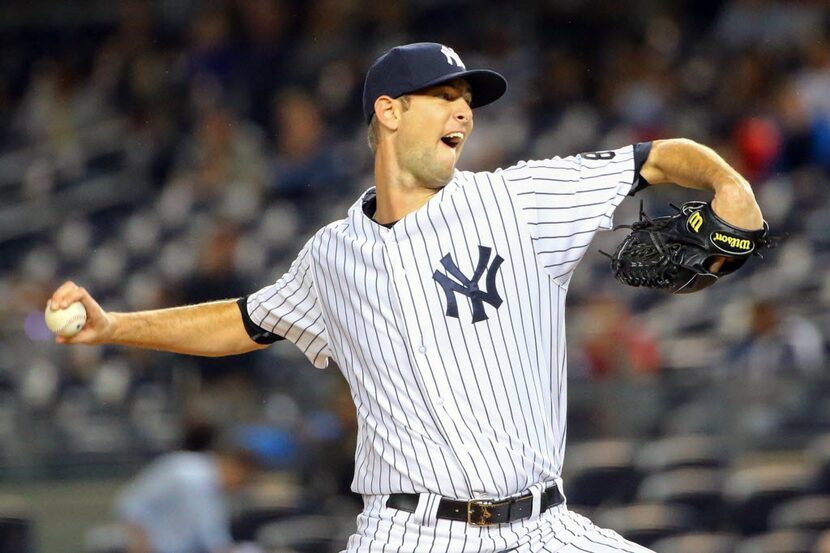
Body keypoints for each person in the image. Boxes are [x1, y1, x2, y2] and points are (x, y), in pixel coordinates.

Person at [48, 43, 764, 552]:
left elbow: (659, 157)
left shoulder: (517, 200)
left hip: (544, 527)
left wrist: (731, 187)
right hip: (409, 531)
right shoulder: (332, 257)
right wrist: (112, 326)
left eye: (468, 101)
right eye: (445, 97)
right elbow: (241, 321)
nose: (465, 112)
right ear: (388, 112)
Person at [115, 428, 261, 553]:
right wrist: (140, 545)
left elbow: (214, 541)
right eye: (243, 481)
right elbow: (131, 503)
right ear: (235, 467)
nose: (240, 487)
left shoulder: (215, 493)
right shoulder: (183, 469)